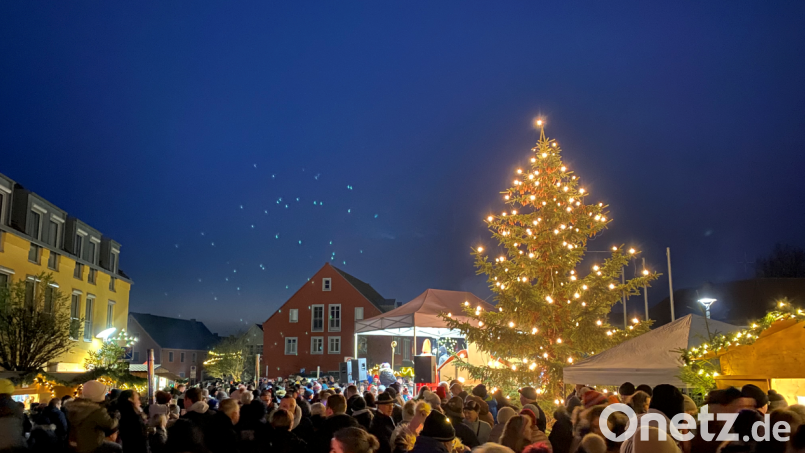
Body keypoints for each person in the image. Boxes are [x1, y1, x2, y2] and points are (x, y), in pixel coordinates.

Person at [65, 380, 119, 453]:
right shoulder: (97, 410)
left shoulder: (76, 407)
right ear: (97, 394)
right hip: (92, 446)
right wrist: (116, 417)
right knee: (117, 448)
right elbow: (110, 425)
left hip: (75, 444)